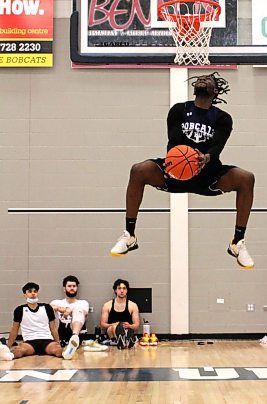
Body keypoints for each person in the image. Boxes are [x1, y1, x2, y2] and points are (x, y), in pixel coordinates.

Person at [110, 72, 255, 268]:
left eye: (208, 79)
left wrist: (206, 157)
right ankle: (129, 235)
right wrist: (185, 160)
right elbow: (175, 140)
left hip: (208, 174)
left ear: (216, 90)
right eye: (200, 79)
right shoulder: (179, 110)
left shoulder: (223, 118)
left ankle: (238, 242)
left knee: (246, 178)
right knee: (138, 170)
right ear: (194, 87)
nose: (202, 79)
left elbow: (217, 145)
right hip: (176, 170)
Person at [0, 282, 68, 361]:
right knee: (19, 350)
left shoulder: (47, 308)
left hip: (47, 340)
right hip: (30, 342)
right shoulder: (19, 310)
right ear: (25, 295)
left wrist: (58, 343)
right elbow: (14, 331)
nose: (33, 293)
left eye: (35, 291)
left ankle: (66, 354)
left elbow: (53, 328)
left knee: (56, 350)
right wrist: (8, 347)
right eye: (30, 291)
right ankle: (9, 356)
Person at [51, 275, 89, 359]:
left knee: (78, 309)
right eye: (69, 286)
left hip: (75, 332)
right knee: (51, 310)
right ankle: (57, 341)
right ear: (64, 288)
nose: (72, 288)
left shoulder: (83, 303)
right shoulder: (57, 302)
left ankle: (74, 338)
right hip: (60, 331)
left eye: (74, 286)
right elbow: (49, 308)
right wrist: (61, 309)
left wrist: (70, 310)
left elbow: (84, 313)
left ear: (77, 288)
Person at [100, 279, 140, 349]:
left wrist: (129, 326)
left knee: (123, 327)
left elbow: (136, 325)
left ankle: (125, 339)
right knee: (113, 327)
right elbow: (103, 325)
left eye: (124, 288)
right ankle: (123, 340)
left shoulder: (133, 305)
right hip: (111, 332)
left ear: (127, 291)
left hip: (127, 329)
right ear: (115, 290)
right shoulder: (107, 305)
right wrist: (114, 324)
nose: (122, 291)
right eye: (119, 288)